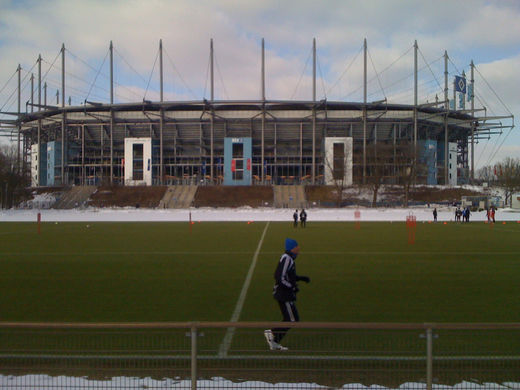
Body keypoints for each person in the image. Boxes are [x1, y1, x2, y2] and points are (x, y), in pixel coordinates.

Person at [264, 238, 310, 351]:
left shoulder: (289, 258)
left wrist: (300, 278)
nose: (298, 249)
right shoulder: (287, 259)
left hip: (285, 293)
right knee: (292, 320)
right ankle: (272, 333)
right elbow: (279, 277)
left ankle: (274, 341)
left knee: (290, 319)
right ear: (291, 248)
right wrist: (292, 287)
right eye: (296, 246)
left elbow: (288, 275)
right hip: (283, 294)